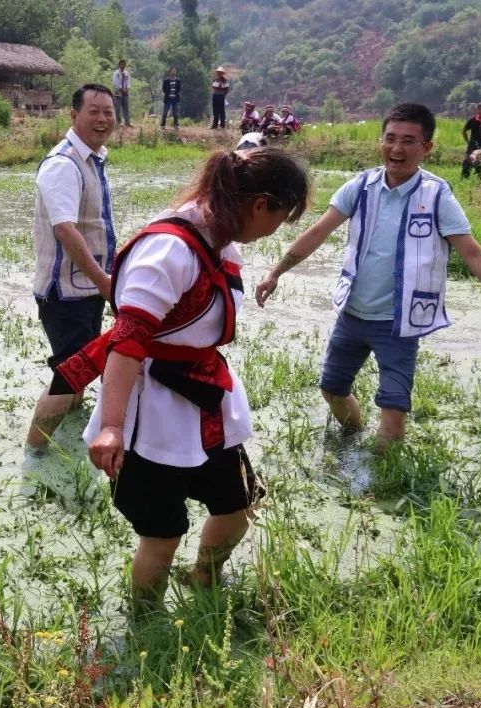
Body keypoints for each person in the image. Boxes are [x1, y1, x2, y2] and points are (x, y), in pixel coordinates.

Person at [52, 147, 310, 614]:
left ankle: (203, 579)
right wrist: (111, 426)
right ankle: (144, 622)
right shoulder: (172, 248)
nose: (276, 230)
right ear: (260, 205)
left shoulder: (219, 235)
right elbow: (127, 344)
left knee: (238, 506)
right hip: (152, 412)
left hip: (205, 400)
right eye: (281, 218)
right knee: (161, 532)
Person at [255, 103, 481, 448]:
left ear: (426, 148)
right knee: (332, 389)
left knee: (394, 411)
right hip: (353, 314)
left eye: (409, 141)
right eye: (391, 139)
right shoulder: (360, 187)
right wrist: (276, 272)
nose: (397, 149)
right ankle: (352, 437)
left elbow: (472, 251)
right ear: (381, 141)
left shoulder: (437, 194)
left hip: (399, 323)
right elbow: (318, 232)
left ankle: (380, 486)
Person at [26, 84, 117, 453]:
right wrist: (105, 282)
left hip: (86, 289)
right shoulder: (63, 164)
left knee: (82, 368)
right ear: (74, 115)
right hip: (65, 293)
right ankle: (35, 453)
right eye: (93, 111)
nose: (102, 119)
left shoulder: (93, 160)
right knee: (70, 372)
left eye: (108, 112)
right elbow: (65, 229)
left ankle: (69, 434)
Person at [112, 59, 132, 128]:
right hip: (118, 93)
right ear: (119, 65)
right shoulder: (116, 73)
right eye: (122, 64)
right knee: (117, 108)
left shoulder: (127, 73)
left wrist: (128, 88)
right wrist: (121, 89)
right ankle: (117, 122)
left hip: (125, 93)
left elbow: (128, 82)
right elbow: (115, 83)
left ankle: (127, 122)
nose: (123, 66)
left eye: (124, 64)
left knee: (126, 108)